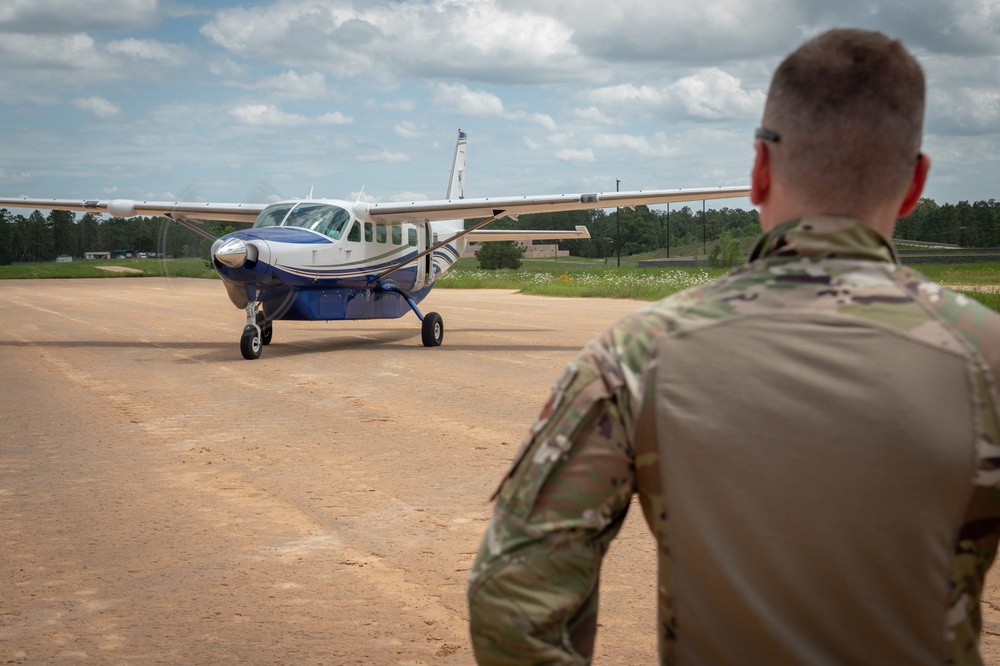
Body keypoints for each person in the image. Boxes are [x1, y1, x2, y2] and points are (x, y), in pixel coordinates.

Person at [466, 28, 1000, 665]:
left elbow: (510, 603)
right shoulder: (983, 356)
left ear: (759, 168)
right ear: (915, 185)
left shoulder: (638, 355)